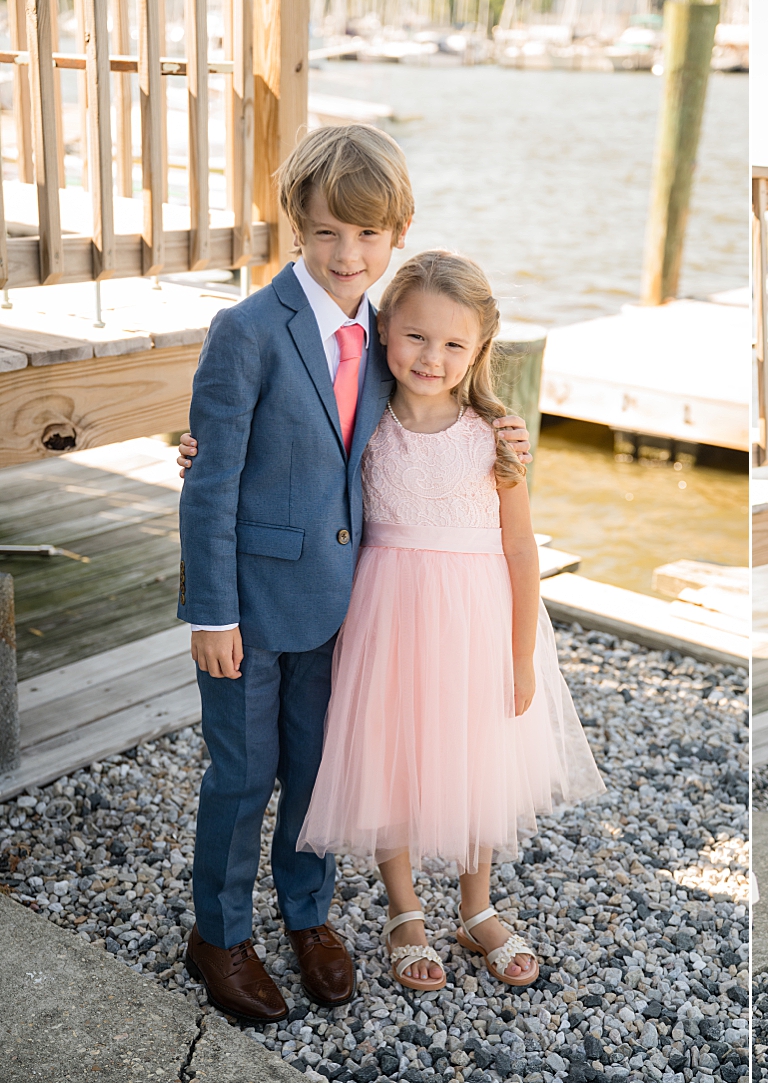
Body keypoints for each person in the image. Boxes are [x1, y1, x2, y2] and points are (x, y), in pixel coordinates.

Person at [175, 126, 531, 1022]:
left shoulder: (384, 331)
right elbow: (213, 475)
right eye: (329, 232)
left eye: (368, 236)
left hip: (349, 609)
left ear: (396, 233)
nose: (347, 253)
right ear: (295, 223)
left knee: (317, 768)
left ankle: (309, 916)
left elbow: (438, 395)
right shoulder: (247, 330)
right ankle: (219, 934)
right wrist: (211, 610)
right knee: (241, 775)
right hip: (250, 609)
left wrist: (504, 426)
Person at [295, 250, 603, 991]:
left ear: (479, 350)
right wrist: (197, 451)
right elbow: (289, 461)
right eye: (415, 338)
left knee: (475, 756)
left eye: (453, 344)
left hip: (477, 619)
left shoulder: (494, 433)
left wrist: (522, 654)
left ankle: (476, 905)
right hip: (387, 614)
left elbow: (521, 547)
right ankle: (404, 910)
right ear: (384, 332)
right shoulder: (361, 424)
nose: (432, 358)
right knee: (391, 750)